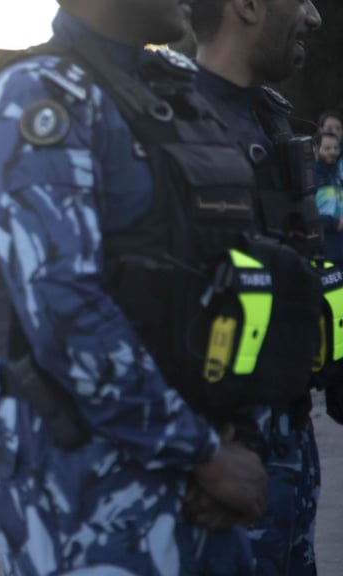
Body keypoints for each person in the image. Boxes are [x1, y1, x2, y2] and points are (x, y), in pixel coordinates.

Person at [0, 1, 270, 573]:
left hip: (197, 458)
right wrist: (203, 455)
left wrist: (233, 437)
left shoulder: (173, 90)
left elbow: (235, 274)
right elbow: (65, 311)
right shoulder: (39, 97)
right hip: (86, 474)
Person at [191, 2, 329, 574]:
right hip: (225, 460)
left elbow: (304, 267)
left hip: (291, 442)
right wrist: (198, 453)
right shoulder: (176, 128)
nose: (316, 16)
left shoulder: (271, 117)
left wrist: (335, 354)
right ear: (245, 6)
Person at [315, 131, 343, 265]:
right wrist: (334, 223)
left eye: (335, 148)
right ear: (315, 149)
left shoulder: (337, 174)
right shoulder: (311, 176)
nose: (333, 152)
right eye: (327, 148)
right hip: (324, 248)